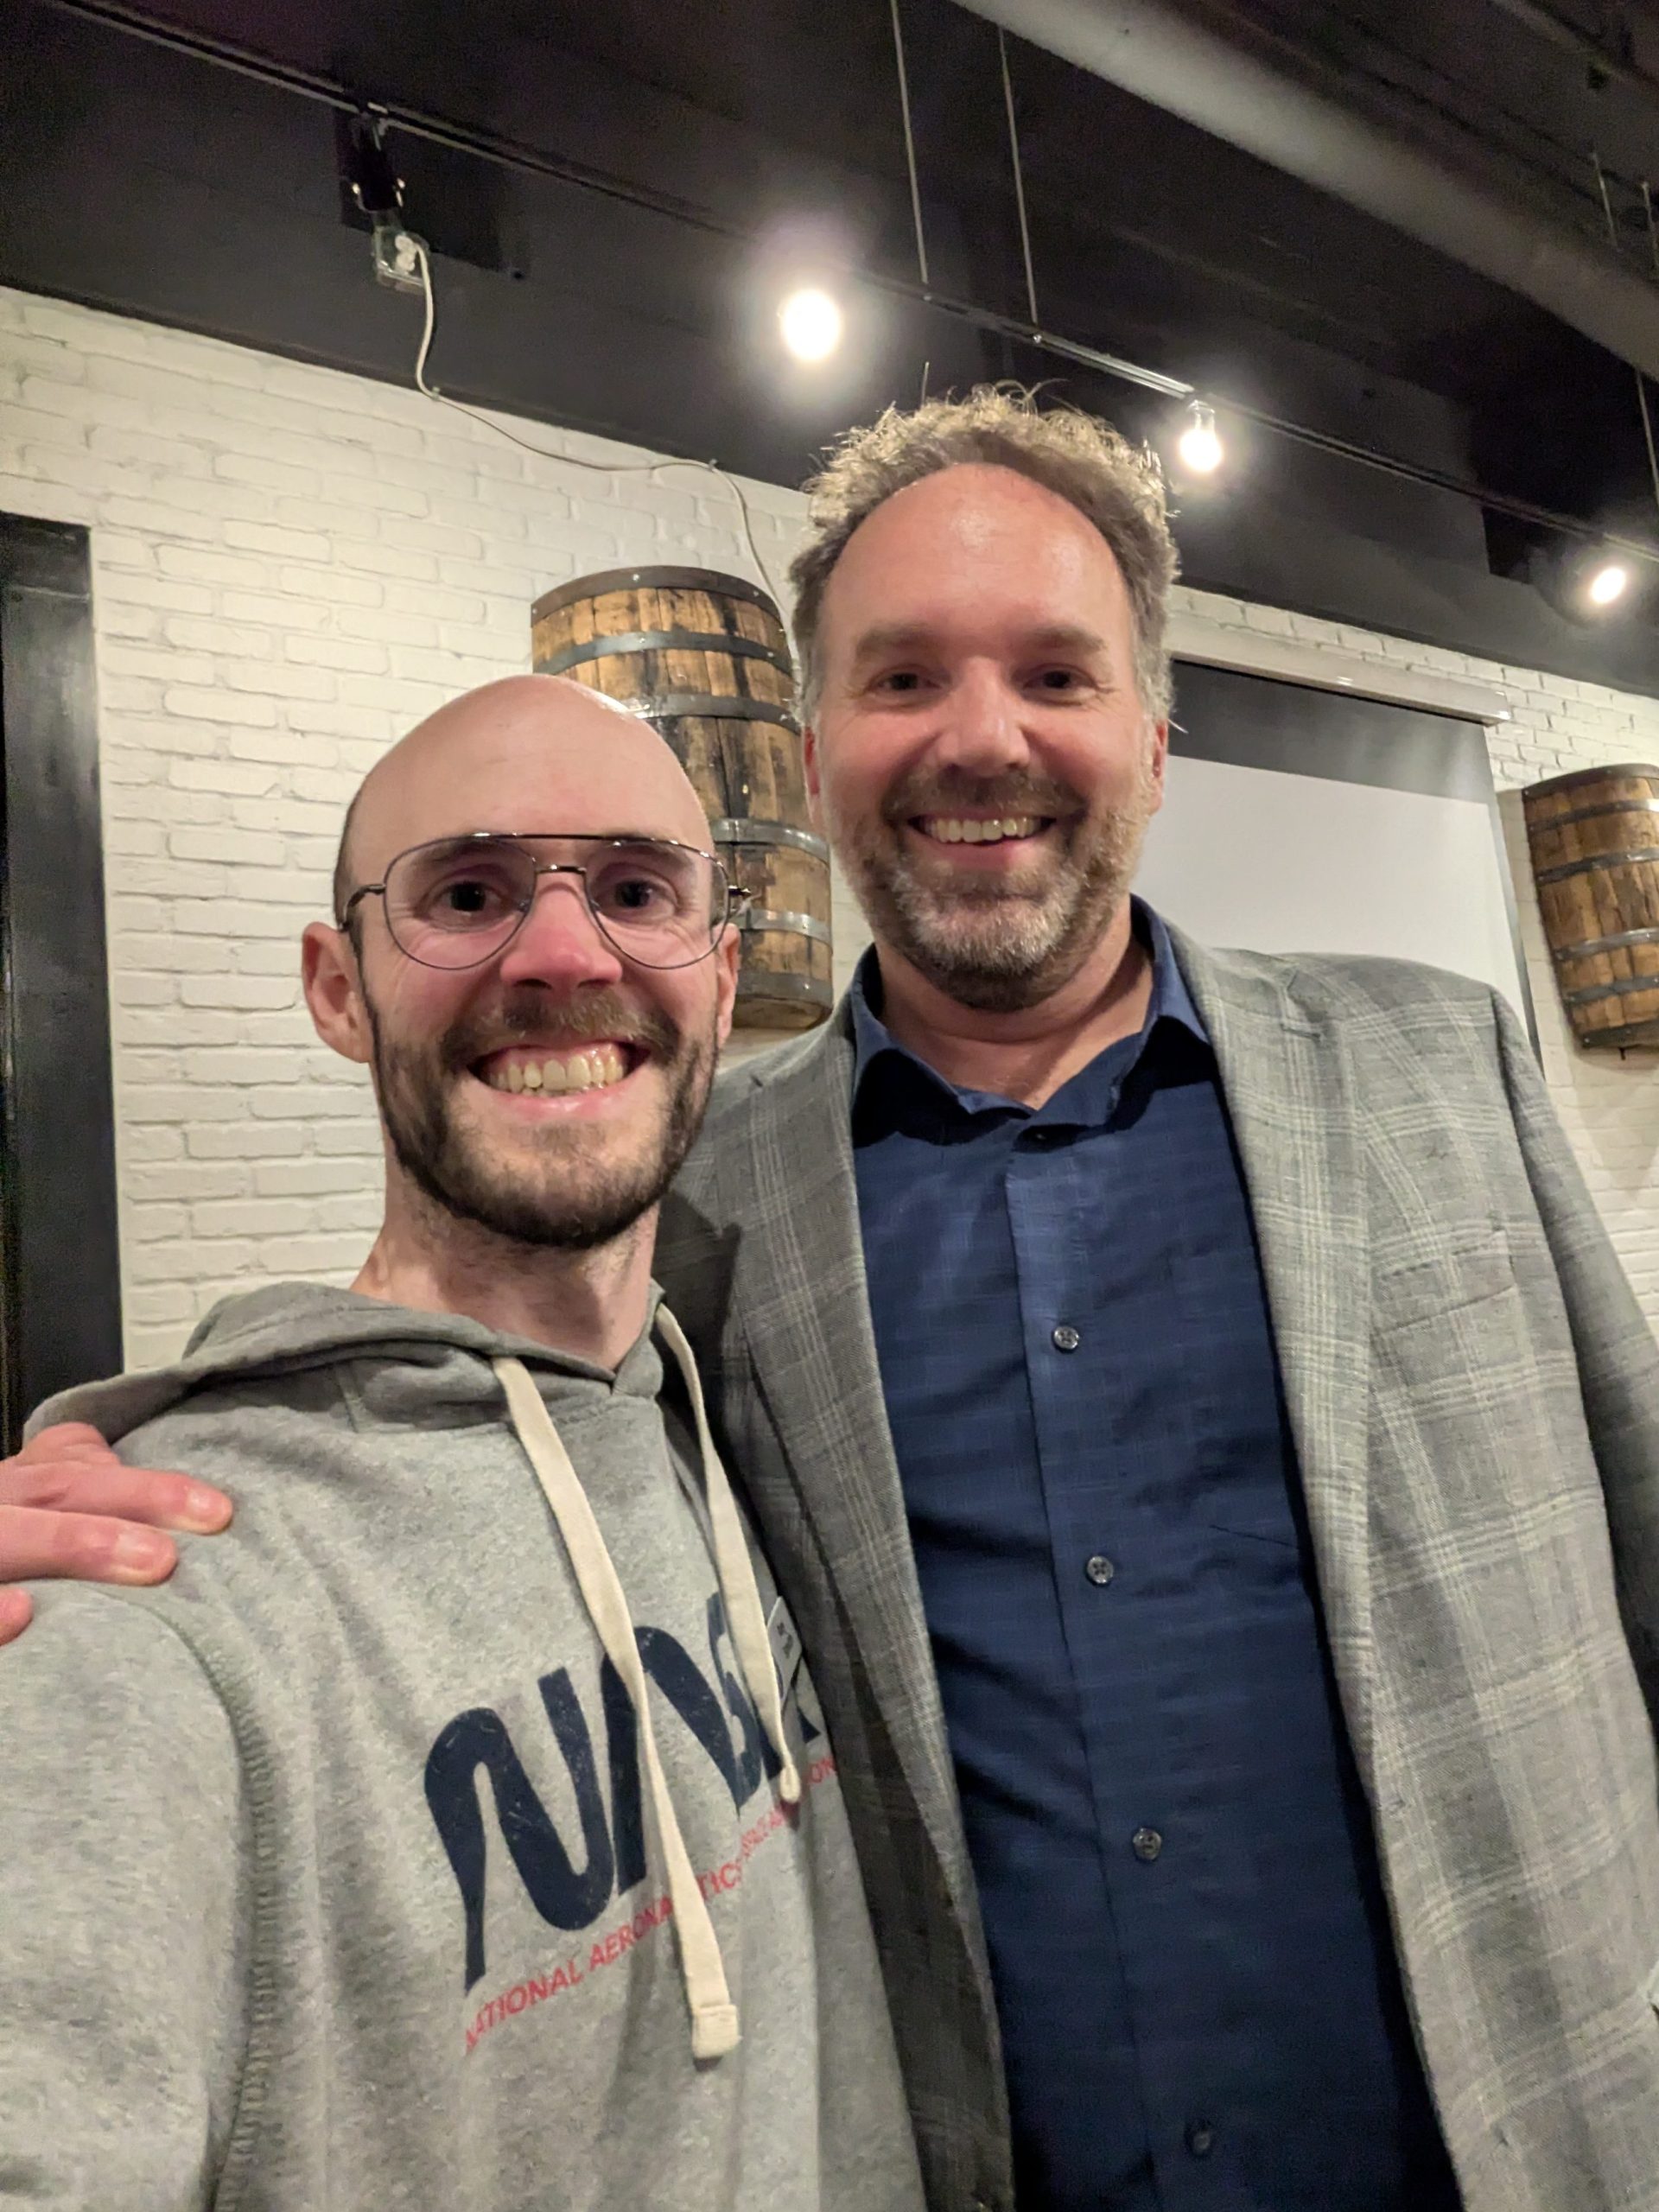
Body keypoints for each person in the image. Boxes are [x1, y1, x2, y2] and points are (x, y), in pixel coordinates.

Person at [6, 386, 1659, 2212]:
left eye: (1054, 672)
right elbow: (452, 1423)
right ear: (805, 755)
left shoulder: (1442, 1063)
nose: (979, 737)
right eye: (899, 679)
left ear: (1155, 739)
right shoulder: (696, 1213)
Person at [0, 675, 925, 2211]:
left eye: (636, 889)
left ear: (719, 960)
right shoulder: (145, 1604)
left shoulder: (727, 1419)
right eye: (469, 893)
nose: (564, 955)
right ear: (339, 985)